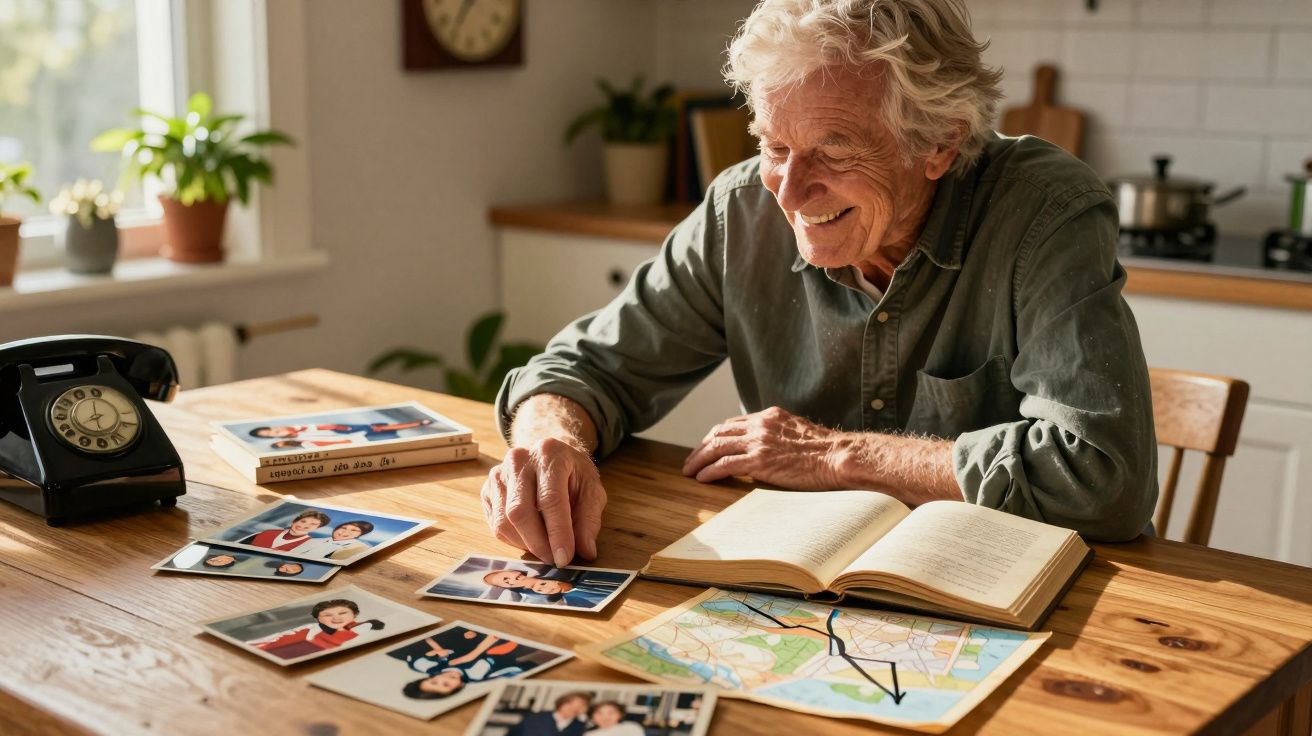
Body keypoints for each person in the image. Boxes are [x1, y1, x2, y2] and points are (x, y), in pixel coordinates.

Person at [482, 0, 1158, 568]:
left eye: (835, 151)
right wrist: (552, 438)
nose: (791, 191)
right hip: (808, 592)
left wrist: (842, 455)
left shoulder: (1043, 211)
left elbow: (1102, 476)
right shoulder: (741, 209)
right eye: (775, 146)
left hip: (1017, 597)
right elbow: (586, 369)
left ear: (940, 145)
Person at [398, 630, 525, 699]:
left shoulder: (427, 667)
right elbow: (490, 656)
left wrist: (436, 652)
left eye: (434, 681)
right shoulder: (476, 675)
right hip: (498, 645)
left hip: (462, 638)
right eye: (446, 685)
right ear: (457, 688)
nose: (444, 679)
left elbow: (432, 648)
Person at [252, 599, 384, 660]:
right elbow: (275, 639)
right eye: (327, 615)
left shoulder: (358, 631)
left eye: (343, 613)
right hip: (270, 650)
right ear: (318, 619)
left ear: (354, 614)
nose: (336, 618)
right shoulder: (308, 628)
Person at [248, 418, 434, 444]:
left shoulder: (296, 427)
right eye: (269, 436)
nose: (274, 433)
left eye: (270, 431)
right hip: (344, 438)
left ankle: (417, 423)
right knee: (381, 435)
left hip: (344, 431)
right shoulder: (297, 438)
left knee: (381, 428)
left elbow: (324, 427)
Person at [238, 509, 331, 552]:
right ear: (294, 521)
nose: (305, 526)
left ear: (317, 528)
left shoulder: (310, 545)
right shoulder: (266, 533)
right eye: (303, 521)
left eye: (313, 524)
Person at [507, 692, 592, 736]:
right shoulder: (534, 718)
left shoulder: (581, 727)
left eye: (581, 705)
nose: (574, 708)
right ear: (561, 703)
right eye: (570, 703)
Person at [297, 520, 375, 561]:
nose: (345, 532)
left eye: (354, 530)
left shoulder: (360, 548)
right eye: (343, 528)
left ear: (360, 535)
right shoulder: (313, 540)